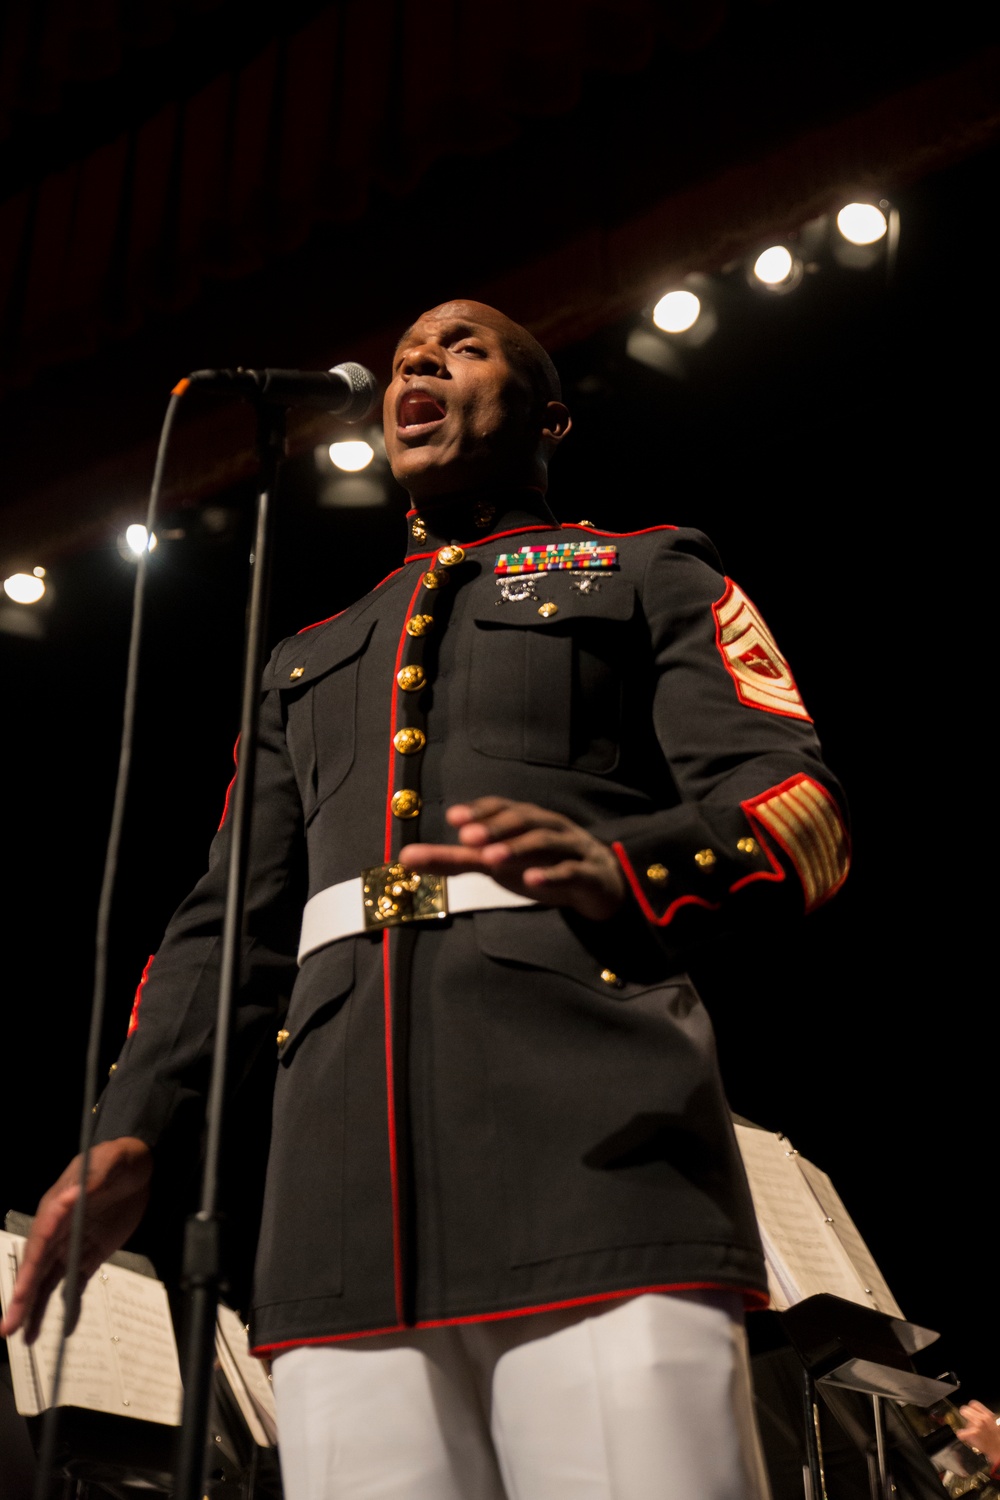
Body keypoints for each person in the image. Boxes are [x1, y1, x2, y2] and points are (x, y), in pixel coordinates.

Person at [1, 300, 850, 1499]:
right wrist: (126, 1132)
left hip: (593, 1161)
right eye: (406, 354)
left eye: (462, 347)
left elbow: (799, 815)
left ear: (547, 413)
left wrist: (623, 868)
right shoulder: (305, 659)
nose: (419, 363)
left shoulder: (646, 570)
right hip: (336, 1210)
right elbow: (226, 926)